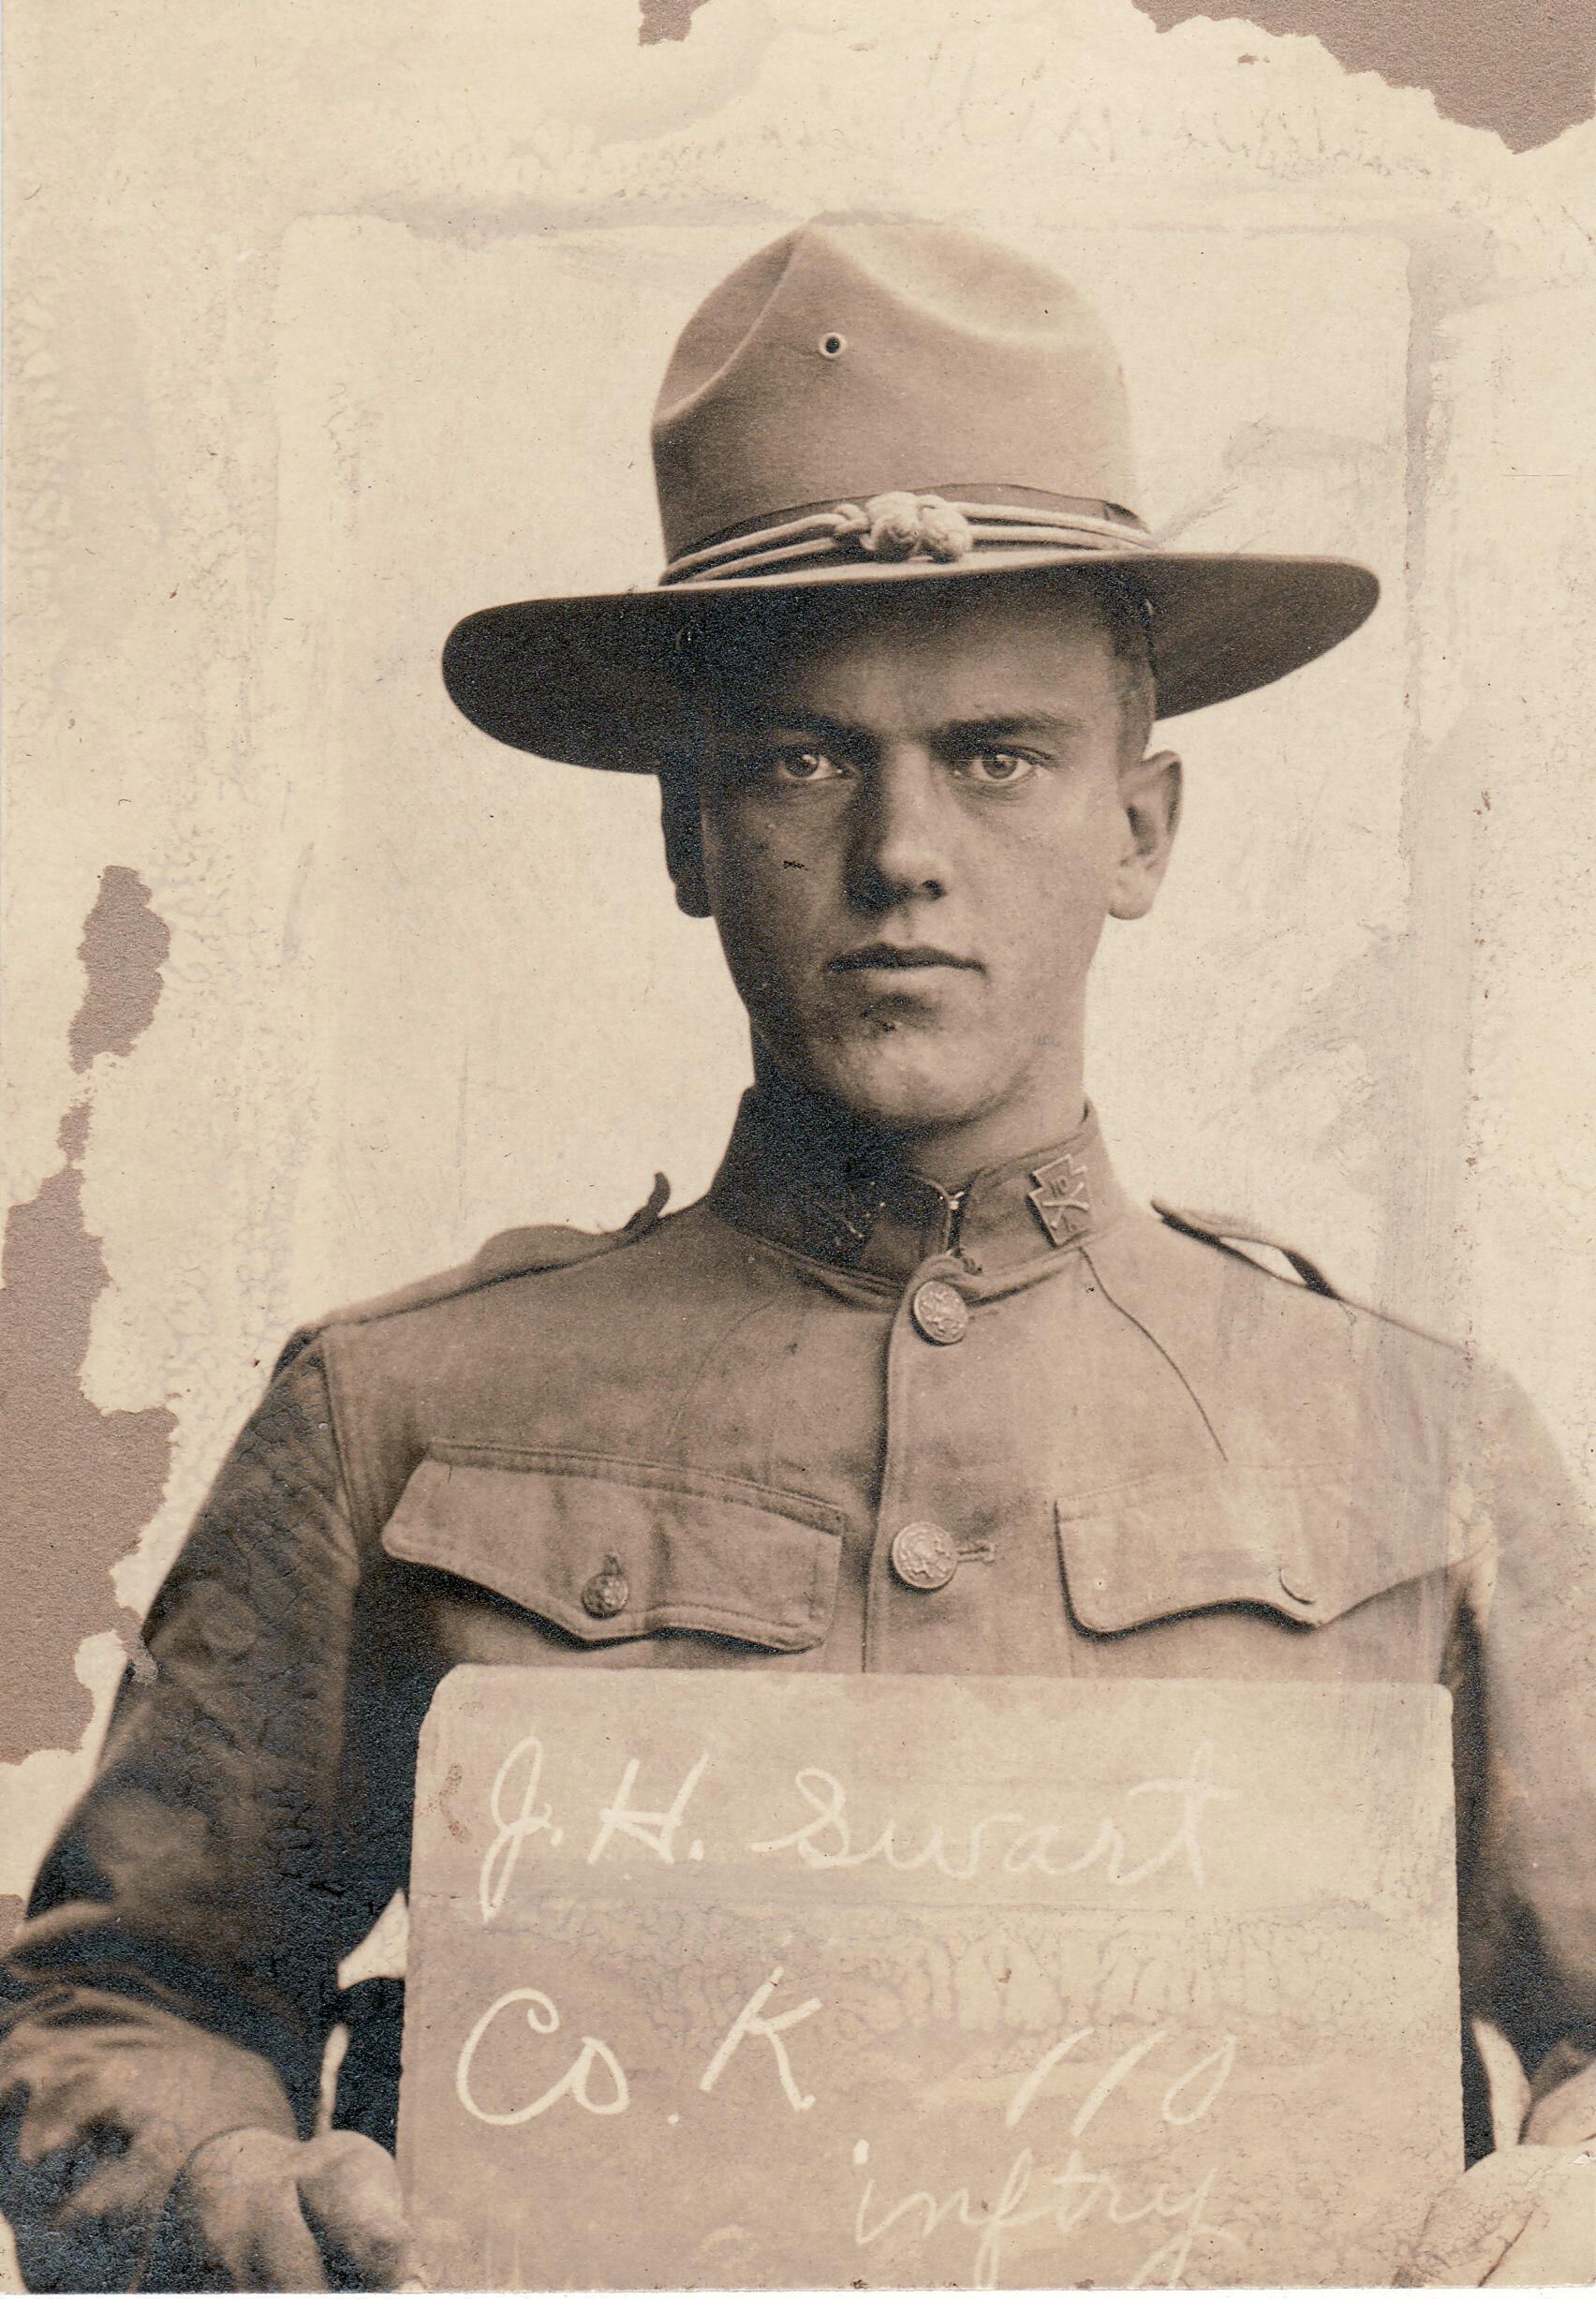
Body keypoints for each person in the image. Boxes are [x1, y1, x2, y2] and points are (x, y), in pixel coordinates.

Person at [2, 220, 1593, 2292]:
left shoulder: (1419, 1442)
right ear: (687, 832)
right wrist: (238, 2197)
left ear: (1141, 827)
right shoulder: (397, 1414)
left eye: (999, 756)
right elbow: (116, 2003)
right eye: (801, 758)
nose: (901, 853)